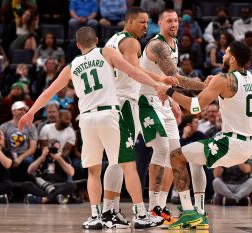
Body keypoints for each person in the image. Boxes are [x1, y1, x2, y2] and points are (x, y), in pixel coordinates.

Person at [18, 26, 163, 230]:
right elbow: (132, 71)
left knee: (93, 171)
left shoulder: (72, 65)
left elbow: (49, 92)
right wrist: (157, 85)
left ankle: (95, 216)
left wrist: (30, 112)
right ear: (96, 39)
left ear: (78, 45)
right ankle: (140, 214)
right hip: (108, 114)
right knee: (127, 165)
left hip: (86, 119)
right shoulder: (106, 52)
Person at [157, 41, 252, 229]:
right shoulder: (248, 76)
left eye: (226, 53)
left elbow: (195, 107)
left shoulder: (223, 80)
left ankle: (188, 213)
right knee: (195, 159)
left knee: (176, 157)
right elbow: (229, 93)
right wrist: (213, 85)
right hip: (246, 144)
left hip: (231, 142)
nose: (222, 56)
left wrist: (169, 91)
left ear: (233, 59)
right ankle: (199, 213)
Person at [102, 7, 177, 228]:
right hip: (125, 103)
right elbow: (135, 70)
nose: (146, 26)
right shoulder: (131, 42)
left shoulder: (112, 40)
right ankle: (134, 212)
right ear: (130, 22)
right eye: (142, 22)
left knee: (116, 161)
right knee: (124, 161)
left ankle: (110, 210)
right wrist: (160, 82)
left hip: (114, 101)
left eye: (147, 22)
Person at [137, 8, 207, 229]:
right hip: (145, 100)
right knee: (160, 150)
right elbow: (176, 78)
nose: (174, 24)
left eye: (176, 20)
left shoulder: (175, 44)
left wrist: (174, 101)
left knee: (175, 155)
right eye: (169, 21)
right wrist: (206, 86)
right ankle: (151, 208)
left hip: (163, 101)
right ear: (159, 24)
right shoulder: (157, 45)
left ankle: (160, 207)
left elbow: (168, 82)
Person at [23, 140, 76, 204]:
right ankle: (56, 198)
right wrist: (42, 156)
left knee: (72, 185)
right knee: (26, 184)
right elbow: (29, 171)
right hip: (44, 186)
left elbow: (71, 172)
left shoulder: (64, 158)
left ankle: (44, 199)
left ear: (60, 150)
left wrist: (59, 158)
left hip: (58, 186)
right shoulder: (43, 157)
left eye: (56, 149)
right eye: (52, 149)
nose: (54, 151)